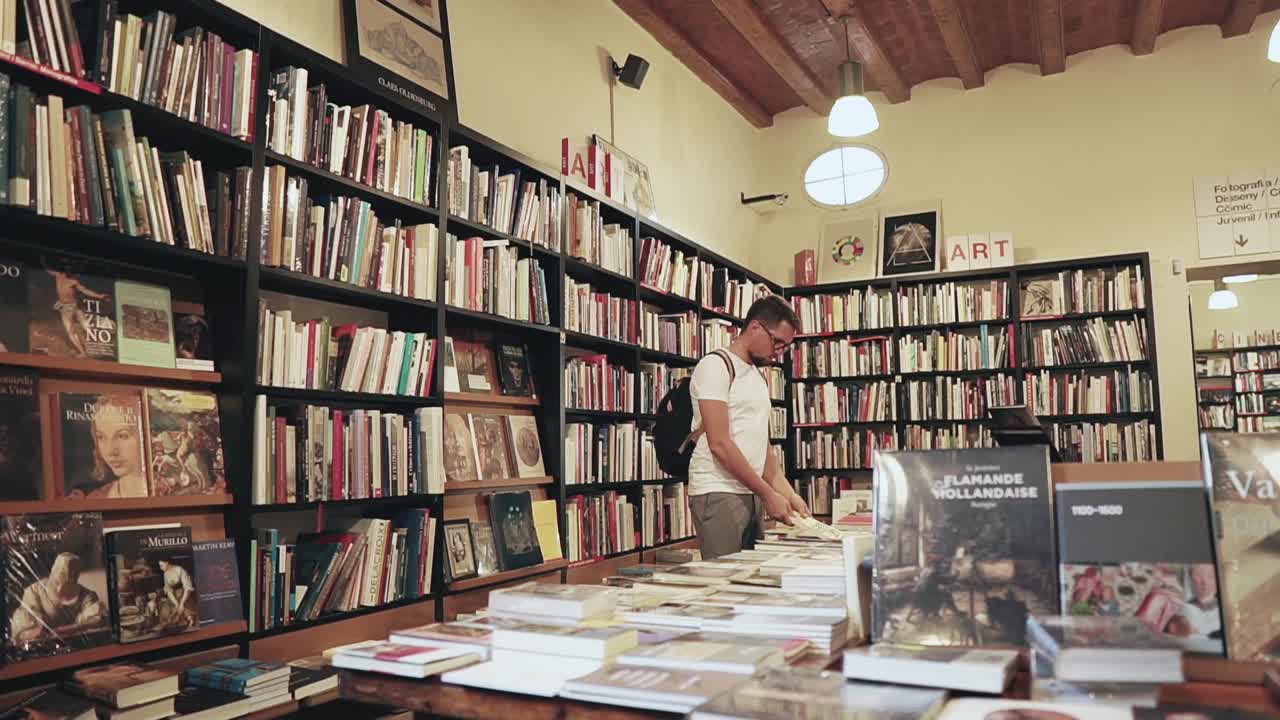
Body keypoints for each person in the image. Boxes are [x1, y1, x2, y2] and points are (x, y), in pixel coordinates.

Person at [688, 294, 809, 559]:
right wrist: (767, 493)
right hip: (718, 490)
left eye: (786, 347)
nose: (779, 352)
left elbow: (763, 452)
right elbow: (719, 443)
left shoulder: (758, 378)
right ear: (755, 327)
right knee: (725, 584)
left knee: (752, 581)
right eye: (777, 342)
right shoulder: (715, 366)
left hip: (751, 492)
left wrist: (789, 495)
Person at [9, 552, 108, 645]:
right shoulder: (34, 592)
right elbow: (22, 628)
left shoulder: (86, 595)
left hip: (75, 645)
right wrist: (34, 632)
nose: (59, 589)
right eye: (56, 583)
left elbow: (99, 618)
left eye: (67, 586)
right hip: (41, 646)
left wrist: (72, 628)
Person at [158, 559, 198, 628]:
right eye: (160, 566)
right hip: (174, 595)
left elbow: (188, 588)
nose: (160, 568)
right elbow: (168, 590)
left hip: (185, 593)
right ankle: (172, 623)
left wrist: (181, 603)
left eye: (161, 565)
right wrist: (176, 604)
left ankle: (190, 619)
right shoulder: (165, 574)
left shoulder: (179, 570)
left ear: (167, 563)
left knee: (183, 604)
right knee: (167, 607)